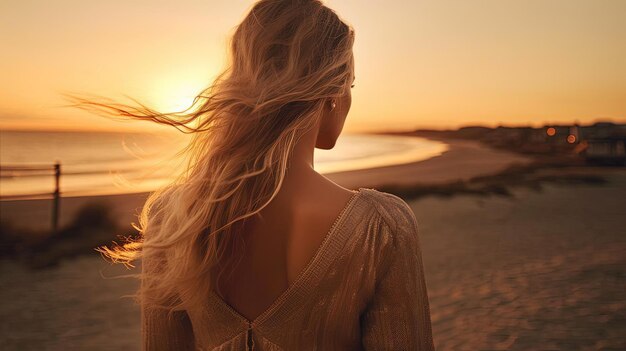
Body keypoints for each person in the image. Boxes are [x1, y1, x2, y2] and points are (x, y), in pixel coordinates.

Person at [70, 0, 434, 349]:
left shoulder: (174, 217)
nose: (349, 97)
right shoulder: (383, 226)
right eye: (350, 84)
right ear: (332, 91)